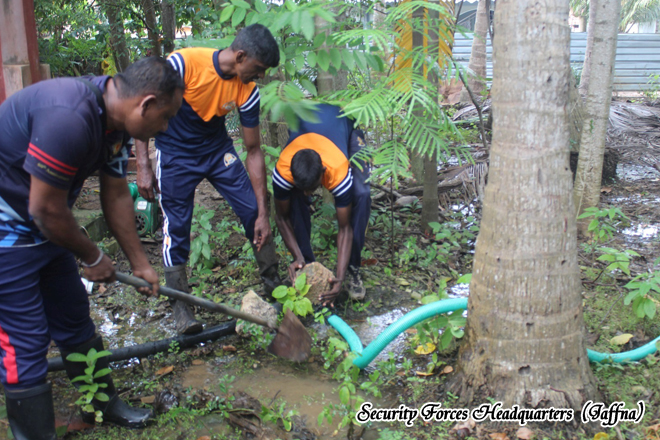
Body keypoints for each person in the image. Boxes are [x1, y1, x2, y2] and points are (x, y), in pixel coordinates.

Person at [0, 57, 184, 439]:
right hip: (9, 232)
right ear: (146, 104)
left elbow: (115, 193)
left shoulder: (113, 124)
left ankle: (102, 404)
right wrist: (93, 256)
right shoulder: (69, 117)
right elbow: (44, 208)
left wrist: (140, 262)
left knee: (72, 316)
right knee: (25, 340)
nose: (165, 127)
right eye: (165, 118)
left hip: (45, 225)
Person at [135, 24, 282, 335]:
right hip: (175, 153)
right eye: (258, 69)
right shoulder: (183, 64)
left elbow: (253, 150)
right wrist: (143, 163)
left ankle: (275, 288)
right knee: (177, 226)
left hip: (217, 152)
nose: (260, 76)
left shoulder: (247, 91)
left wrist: (263, 212)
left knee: (253, 212)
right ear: (240, 56)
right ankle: (181, 307)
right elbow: (144, 107)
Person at [272, 103, 371, 306]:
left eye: (312, 188)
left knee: (361, 194)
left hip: (344, 124)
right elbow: (281, 217)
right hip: (304, 122)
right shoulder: (283, 171)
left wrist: (339, 278)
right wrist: (296, 256)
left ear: (323, 173)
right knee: (294, 198)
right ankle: (305, 264)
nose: (308, 194)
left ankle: (353, 268)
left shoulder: (337, 171)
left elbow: (345, 228)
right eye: (304, 188)